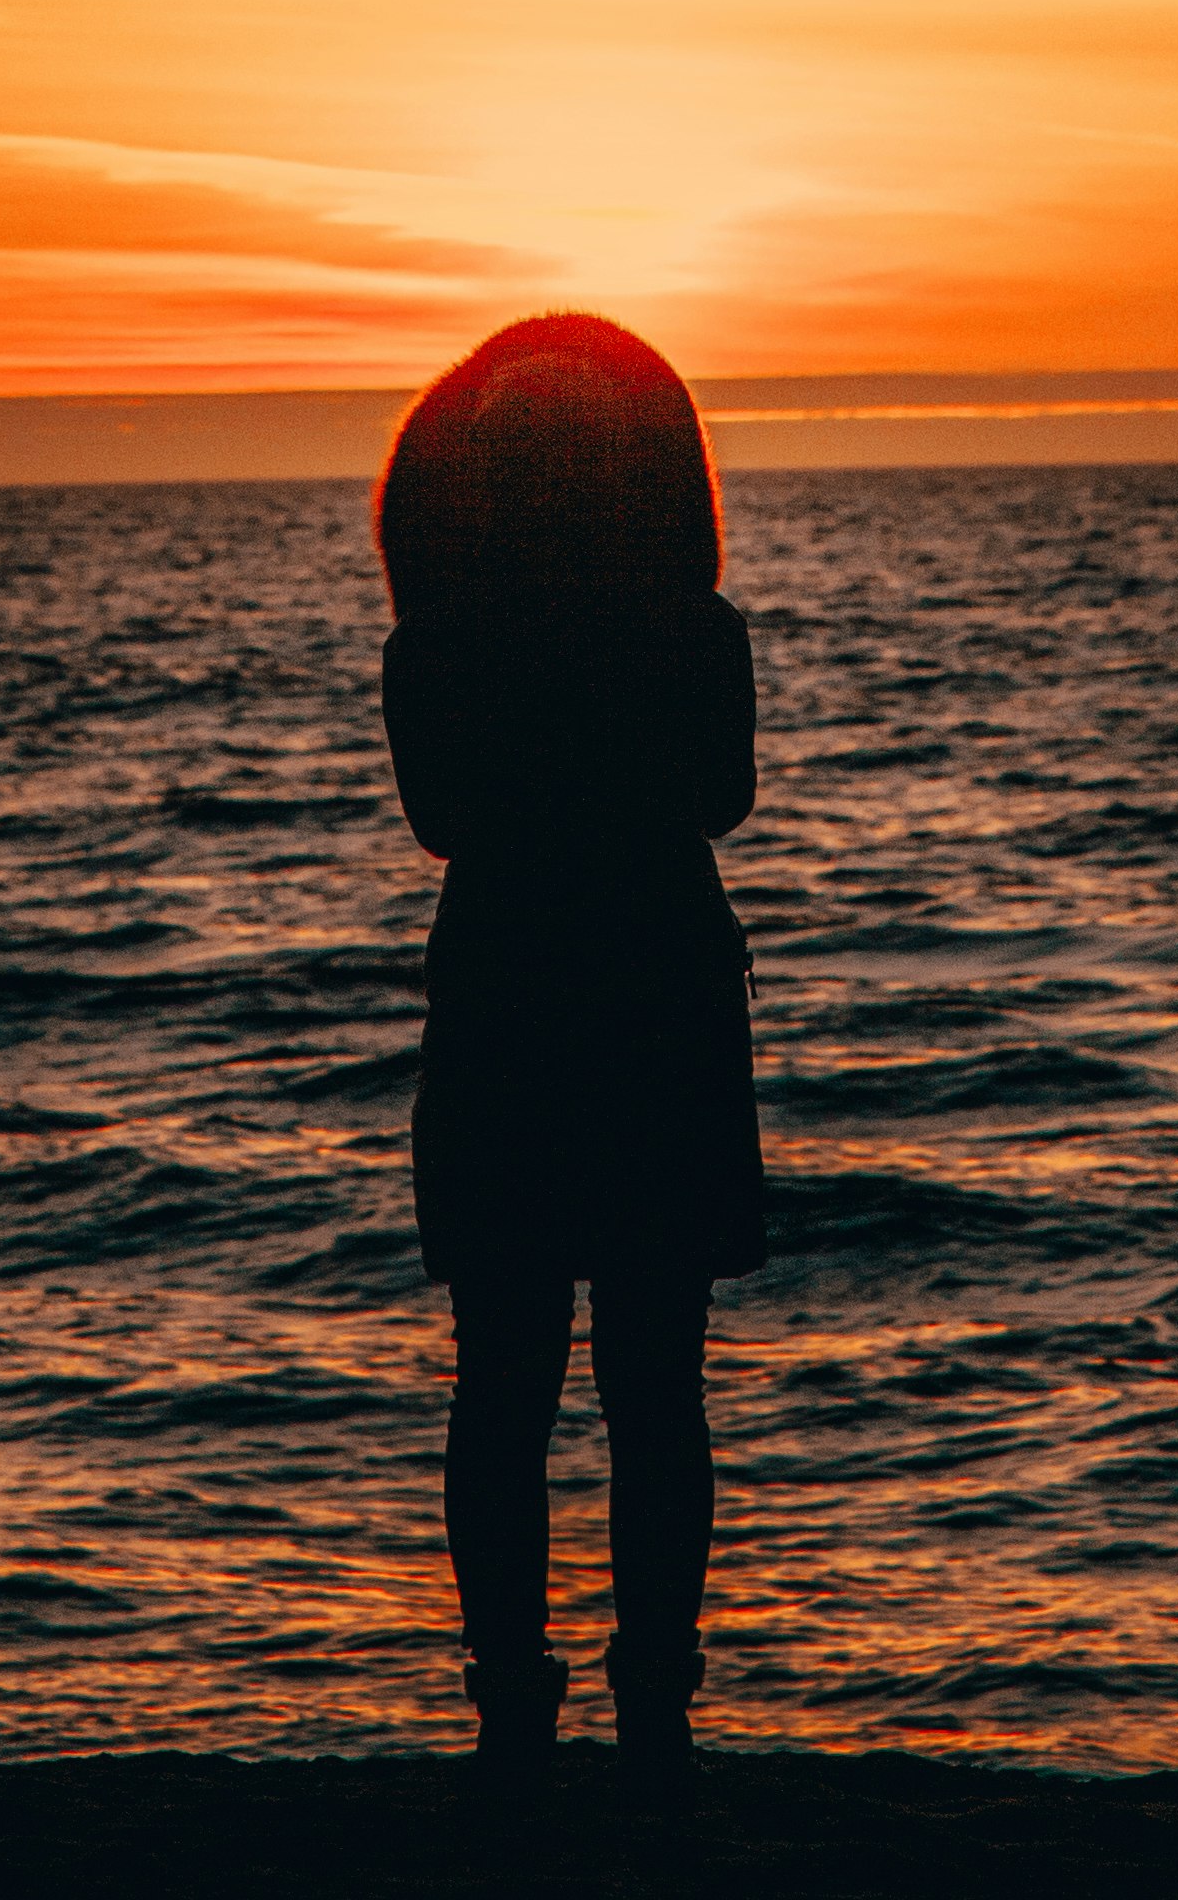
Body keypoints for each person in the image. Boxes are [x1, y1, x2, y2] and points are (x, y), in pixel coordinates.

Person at [377, 309, 763, 1790]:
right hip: (661, 993)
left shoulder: (439, 649)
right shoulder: (691, 629)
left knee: (505, 1384)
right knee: (658, 1381)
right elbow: (720, 801)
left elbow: (444, 826)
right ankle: (656, 1709)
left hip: (505, 1005)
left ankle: (512, 1714)